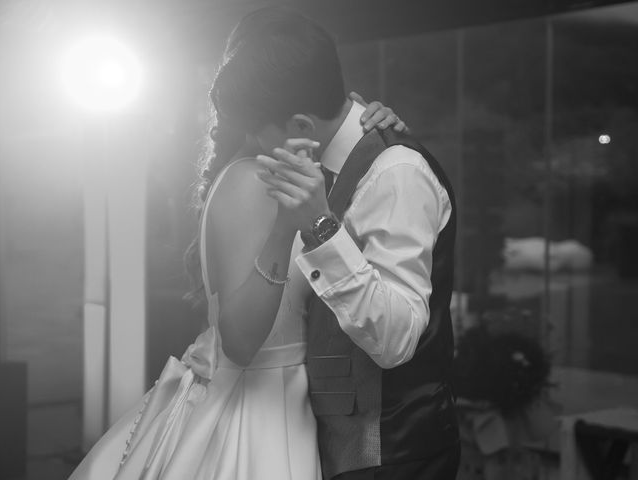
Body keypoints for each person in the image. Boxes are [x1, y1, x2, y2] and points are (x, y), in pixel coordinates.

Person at [68, 29, 406, 480]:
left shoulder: (272, 173)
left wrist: (367, 132)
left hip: (287, 399)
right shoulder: (253, 181)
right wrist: (285, 230)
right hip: (254, 407)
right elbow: (242, 344)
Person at [211, 7, 461, 480]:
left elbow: (397, 340)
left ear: (302, 126)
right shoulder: (319, 161)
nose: (252, 142)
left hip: (392, 456)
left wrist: (321, 228)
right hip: (323, 445)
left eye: (256, 130)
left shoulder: (397, 172)